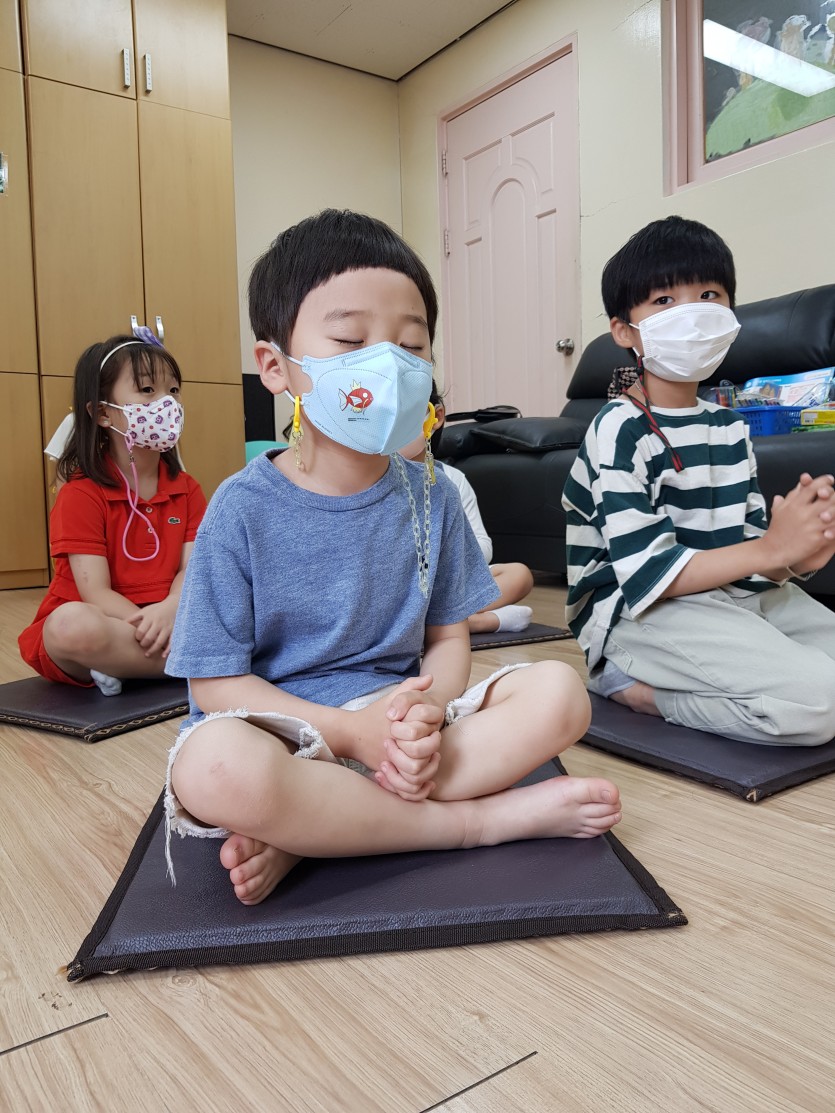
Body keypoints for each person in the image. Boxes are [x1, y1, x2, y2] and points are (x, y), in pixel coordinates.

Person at [165, 209, 621, 905]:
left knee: (559, 695)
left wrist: (421, 718)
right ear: (275, 366)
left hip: (401, 718)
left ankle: (313, 830)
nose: (387, 364)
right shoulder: (239, 506)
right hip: (286, 731)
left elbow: (446, 637)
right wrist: (352, 733)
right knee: (216, 769)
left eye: (411, 346)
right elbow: (216, 688)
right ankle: (474, 824)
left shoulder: (432, 493)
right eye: (350, 338)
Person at [562, 215, 835, 747]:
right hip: (637, 612)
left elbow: (751, 548)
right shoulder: (618, 427)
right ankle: (636, 690)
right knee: (816, 705)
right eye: (664, 301)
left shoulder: (729, 426)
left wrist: (795, 555)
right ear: (624, 330)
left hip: (730, 595)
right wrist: (768, 552)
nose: (692, 313)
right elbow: (647, 575)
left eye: (709, 294)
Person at [19, 335, 207, 696]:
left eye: (173, 390)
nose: (166, 403)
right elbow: (96, 592)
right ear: (103, 413)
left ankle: (123, 664)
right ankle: (190, 663)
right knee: (69, 627)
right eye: (148, 390)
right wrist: (150, 625)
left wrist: (169, 610)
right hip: (107, 619)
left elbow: (192, 570)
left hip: (170, 618)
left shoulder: (187, 488)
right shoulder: (81, 493)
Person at [399, 380, 535, 634]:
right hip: (398, 588)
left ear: (435, 416)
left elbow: (483, 545)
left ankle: (439, 624)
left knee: (519, 575)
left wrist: (444, 554)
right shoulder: (372, 480)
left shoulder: (451, 480)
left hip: (450, 582)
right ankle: (481, 622)